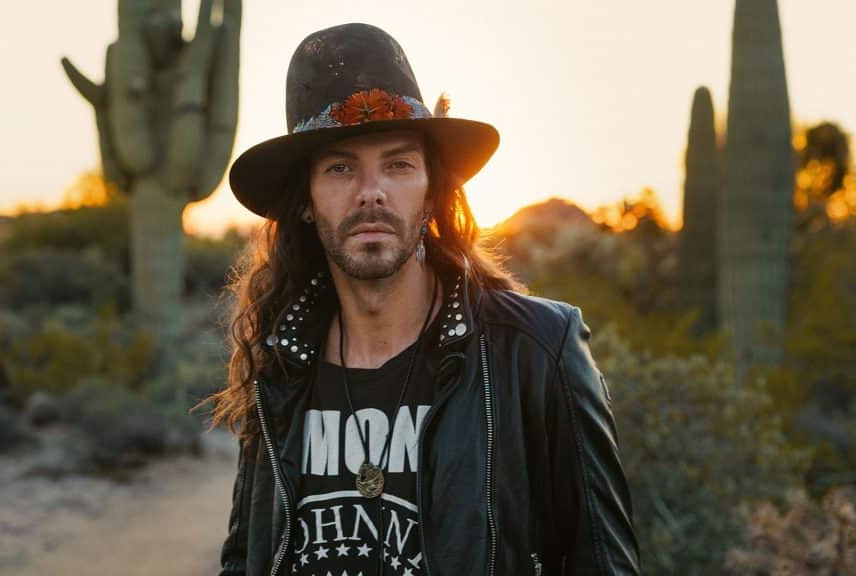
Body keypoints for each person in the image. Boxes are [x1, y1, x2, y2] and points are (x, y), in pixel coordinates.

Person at [208, 22, 640, 576]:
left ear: (432, 193)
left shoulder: (536, 352)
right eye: (340, 168)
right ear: (307, 202)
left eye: (399, 164)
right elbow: (246, 559)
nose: (372, 191)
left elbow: (601, 561)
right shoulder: (281, 364)